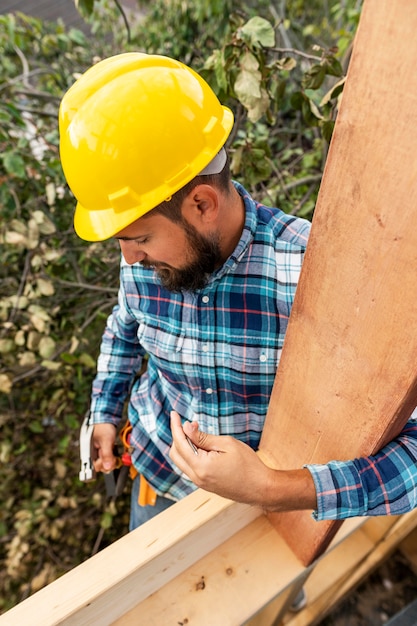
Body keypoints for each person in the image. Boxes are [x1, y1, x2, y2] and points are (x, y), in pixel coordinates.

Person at [59, 52, 417, 532]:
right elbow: (125, 328)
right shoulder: (149, 261)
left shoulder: (314, 278)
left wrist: (273, 488)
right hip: (159, 482)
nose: (129, 259)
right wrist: (105, 408)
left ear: (201, 203)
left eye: (139, 239)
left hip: (269, 516)